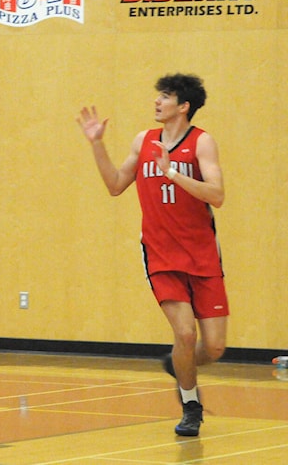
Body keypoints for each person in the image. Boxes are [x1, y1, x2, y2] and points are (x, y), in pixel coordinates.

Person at [77, 73, 227, 438]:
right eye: (158, 95)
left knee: (215, 347)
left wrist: (173, 172)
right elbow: (115, 185)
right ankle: (191, 406)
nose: (157, 101)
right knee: (186, 335)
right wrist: (97, 144)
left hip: (202, 253)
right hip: (161, 254)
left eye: (165, 96)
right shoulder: (143, 141)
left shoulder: (202, 143)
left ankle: (178, 363)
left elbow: (217, 195)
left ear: (184, 105)